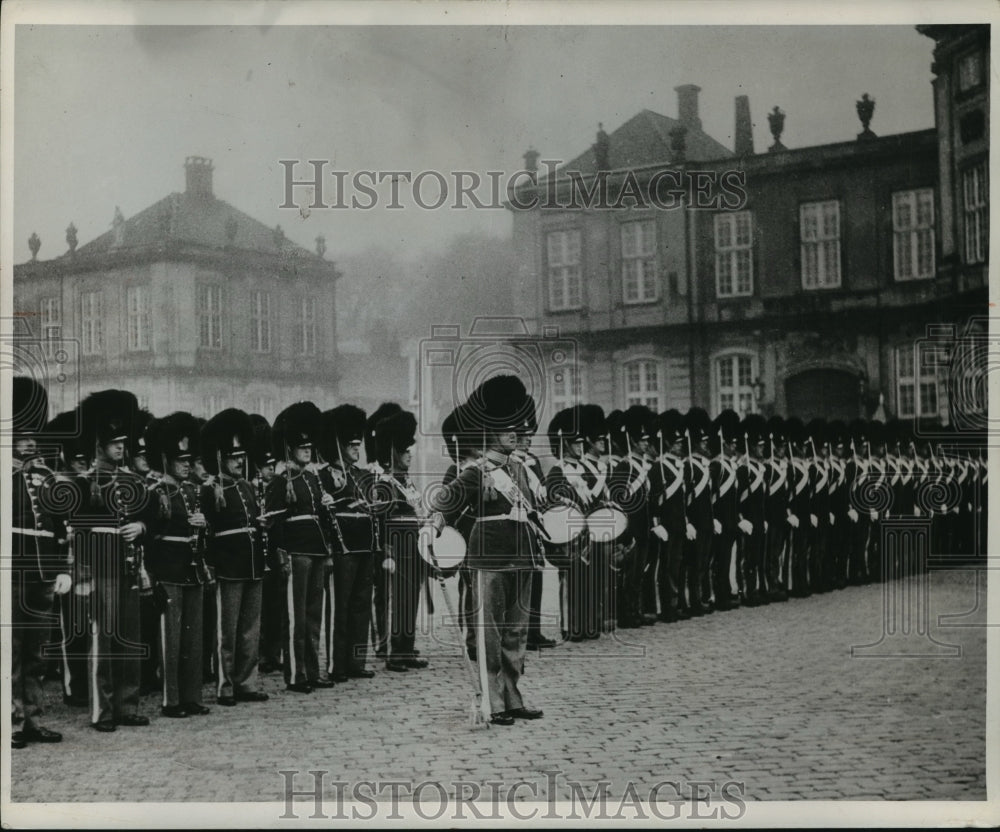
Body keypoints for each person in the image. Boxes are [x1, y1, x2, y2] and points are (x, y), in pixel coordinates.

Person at [429, 375, 544, 726]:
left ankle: (512, 696)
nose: (515, 432)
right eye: (505, 427)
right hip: (489, 558)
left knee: (515, 633)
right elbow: (443, 503)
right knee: (490, 635)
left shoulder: (520, 470)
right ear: (489, 431)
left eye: (516, 426)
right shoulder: (477, 472)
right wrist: (433, 531)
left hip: (520, 557)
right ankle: (492, 701)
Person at [69, 390, 154, 732]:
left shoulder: (133, 481)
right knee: (103, 641)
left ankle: (127, 705)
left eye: (123, 442)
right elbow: (77, 533)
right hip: (101, 568)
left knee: (130, 638)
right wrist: (84, 574)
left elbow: (150, 520)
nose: (120, 447)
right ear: (100, 444)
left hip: (129, 565)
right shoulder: (87, 482)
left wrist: (141, 526)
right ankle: (102, 711)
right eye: (114, 442)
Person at [11, 377, 71, 748]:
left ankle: (32, 718)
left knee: (37, 652)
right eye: (22, 434)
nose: (30, 441)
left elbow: (61, 530)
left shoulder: (47, 477)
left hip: (42, 575)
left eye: (34, 434)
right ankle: (14, 722)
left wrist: (63, 568)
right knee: (13, 652)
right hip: (12, 573)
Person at [264, 402, 336, 693]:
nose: (307, 450)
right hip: (295, 552)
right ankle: (296, 675)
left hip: (316, 550)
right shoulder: (282, 482)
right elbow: (273, 522)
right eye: (301, 446)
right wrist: (281, 554)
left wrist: (327, 506)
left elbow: (321, 519)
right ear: (290, 449)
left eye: (309, 446)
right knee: (296, 617)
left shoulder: (313, 479)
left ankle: (313, 670)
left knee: (313, 615)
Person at [201, 408, 270, 706]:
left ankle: (247, 682)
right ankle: (225, 685)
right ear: (220, 458)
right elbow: (206, 533)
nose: (240, 462)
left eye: (242, 457)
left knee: (250, 629)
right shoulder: (210, 490)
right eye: (233, 457)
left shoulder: (246, 487)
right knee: (226, 630)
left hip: (253, 562)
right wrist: (211, 565)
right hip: (228, 565)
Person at [146, 412, 212, 719]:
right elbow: (150, 538)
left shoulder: (191, 491)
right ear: (167, 460)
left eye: (189, 459)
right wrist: (153, 575)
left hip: (192, 569)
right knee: (170, 639)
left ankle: (191, 696)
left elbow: (197, 532)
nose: (187, 464)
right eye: (180, 459)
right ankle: (171, 700)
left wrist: (203, 524)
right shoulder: (156, 492)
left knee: (192, 638)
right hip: (169, 570)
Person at [318, 404, 378, 682]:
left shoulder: (362, 474)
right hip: (343, 547)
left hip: (364, 544)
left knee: (361, 605)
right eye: (352, 445)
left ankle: (356, 661)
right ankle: (337, 665)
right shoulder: (326, 475)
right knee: (340, 608)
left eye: (358, 444)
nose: (357, 449)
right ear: (339, 446)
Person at [374, 409, 430, 672]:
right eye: (405, 450)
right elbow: (380, 522)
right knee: (398, 601)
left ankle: (407, 648)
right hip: (397, 550)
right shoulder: (385, 484)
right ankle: (395, 652)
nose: (410, 454)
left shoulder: (407, 483)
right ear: (394, 452)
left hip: (415, 549)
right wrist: (386, 553)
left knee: (411, 601)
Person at [511, 398, 555, 651]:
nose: (528, 440)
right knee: (521, 582)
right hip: (519, 526)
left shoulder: (533, 462)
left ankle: (534, 629)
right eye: (523, 435)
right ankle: (521, 631)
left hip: (535, 528)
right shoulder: (510, 463)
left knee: (537, 578)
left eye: (529, 435)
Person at [543, 406, 591, 641]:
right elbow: (552, 502)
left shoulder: (583, 470)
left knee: (584, 580)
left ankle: (583, 623)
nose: (581, 447)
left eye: (582, 444)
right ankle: (569, 626)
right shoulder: (557, 471)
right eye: (576, 444)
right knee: (569, 581)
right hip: (568, 534)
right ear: (566, 446)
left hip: (585, 533)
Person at [441, 403, 482, 661]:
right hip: (465, 538)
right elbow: (447, 510)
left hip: (484, 537)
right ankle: (472, 640)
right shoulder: (454, 472)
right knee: (469, 592)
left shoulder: (482, 470)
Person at [607, 405, 654, 628]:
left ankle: (635, 610)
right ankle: (626, 614)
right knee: (629, 575)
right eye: (642, 440)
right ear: (633, 442)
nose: (646, 443)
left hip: (643, 526)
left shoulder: (643, 466)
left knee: (638, 575)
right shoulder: (624, 467)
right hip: (631, 529)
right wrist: (625, 532)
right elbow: (618, 500)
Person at [365, 402, 403, 660]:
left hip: (397, 539)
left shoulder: (395, 475)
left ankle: (396, 640)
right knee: (381, 594)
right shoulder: (374, 475)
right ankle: (381, 640)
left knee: (393, 594)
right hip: (379, 541)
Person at [647, 409, 688, 623]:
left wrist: (687, 521)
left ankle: (677, 603)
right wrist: (656, 522)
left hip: (679, 523)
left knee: (678, 566)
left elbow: (684, 499)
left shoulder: (679, 466)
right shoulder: (659, 468)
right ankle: (668, 606)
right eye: (677, 442)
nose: (681, 445)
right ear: (669, 443)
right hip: (666, 525)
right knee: (667, 569)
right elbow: (654, 500)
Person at [250, 414, 283, 674]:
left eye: (272, 465)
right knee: (258, 608)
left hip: (274, 552)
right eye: (266, 466)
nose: (271, 469)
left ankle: (273, 652)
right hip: (256, 552)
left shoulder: (276, 487)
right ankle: (261, 654)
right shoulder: (253, 488)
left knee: (275, 606)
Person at [683, 408, 715, 616]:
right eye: (702, 441)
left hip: (706, 520)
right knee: (694, 565)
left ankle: (703, 597)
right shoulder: (689, 466)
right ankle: (695, 601)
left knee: (704, 562)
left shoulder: (704, 465)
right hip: (694, 520)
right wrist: (687, 521)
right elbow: (685, 499)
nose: (706, 443)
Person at [710, 409, 741, 612]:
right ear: (723, 443)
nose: (734, 446)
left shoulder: (731, 465)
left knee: (728, 559)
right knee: (720, 561)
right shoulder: (716, 466)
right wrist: (713, 518)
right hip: (719, 519)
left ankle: (728, 591)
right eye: (731, 443)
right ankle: (720, 596)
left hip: (730, 519)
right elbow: (711, 496)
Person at [737, 414, 768, 607]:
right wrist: (741, 518)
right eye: (758, 445)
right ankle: (746, 591)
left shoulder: (759, 468)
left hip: (758, 518)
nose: (762, 448)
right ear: (750, 446)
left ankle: (756, 588)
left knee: (757, 557)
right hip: (746, 518)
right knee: (746, 558)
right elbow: (737, 498)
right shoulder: (743, 469)